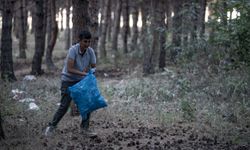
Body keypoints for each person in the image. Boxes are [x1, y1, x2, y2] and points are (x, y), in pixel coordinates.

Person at [45, 30, 97, 137]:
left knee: (87, 103)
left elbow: (93, 65)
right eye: (85, 42)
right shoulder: (73, 50)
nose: (87, 44)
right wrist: (83, 74)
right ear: (79, 41)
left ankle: (84, 129)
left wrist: (89, 71)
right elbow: (69, 69)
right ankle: (51, 127)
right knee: (64, 105)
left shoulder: (90, 51)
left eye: (89, 42)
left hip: (81, 81)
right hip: (68, 80)